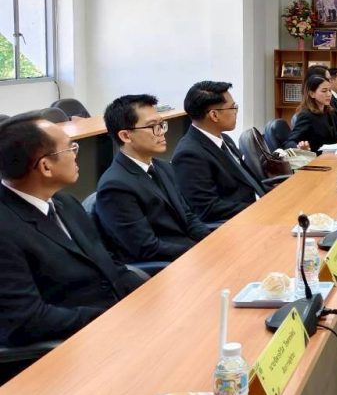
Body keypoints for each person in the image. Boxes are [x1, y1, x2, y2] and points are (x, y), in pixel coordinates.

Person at [0, 113, 144, 346]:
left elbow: (108, 262)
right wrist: (110, 318)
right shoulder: (6, 229)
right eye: (70, 148)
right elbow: (27, 320)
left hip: (118, 321)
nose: (76, 154)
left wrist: (149, 295)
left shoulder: (65, 202)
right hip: (78, 343)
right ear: (45, 166)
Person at [95, 95, 212, 263]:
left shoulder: (163, 167)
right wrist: (197, 252)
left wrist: (211, 240)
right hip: (167, 265)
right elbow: (146, 247)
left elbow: (188, 216)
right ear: (126, 136)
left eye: (161, 124)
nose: (162, 132)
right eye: (152, 127)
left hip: (187, 253)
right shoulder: (114, 186)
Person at [171, 81, 265, 223]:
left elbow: (246, 180)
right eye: (233, 107)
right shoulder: (189, 155)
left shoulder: (225, 139)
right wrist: (257, 208)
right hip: (240, 222)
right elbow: (208, 209)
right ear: (214, 115)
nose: (235, 112)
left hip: (259, 208)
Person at [285, 75, 337, 153]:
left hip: (329, 154)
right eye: (324, 91)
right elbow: (288, 143)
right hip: (316, 157)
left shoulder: (327, 111)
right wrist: (299, 147)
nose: (329, 94)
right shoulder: (306, 116)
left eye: (330, 90)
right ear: (312, 94)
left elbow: (333, 136)